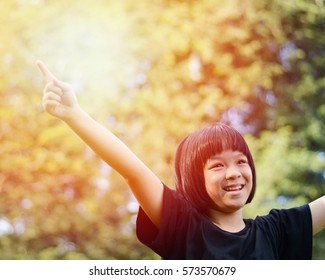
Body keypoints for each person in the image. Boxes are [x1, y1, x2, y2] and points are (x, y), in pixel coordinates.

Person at [37, 60, 325, 260]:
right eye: (217, 166)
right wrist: (76, 116)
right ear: (195, 179)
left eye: (241, 161)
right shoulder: (185, 227)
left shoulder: (274, 231)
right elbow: (133, 171)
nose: (234, 173)